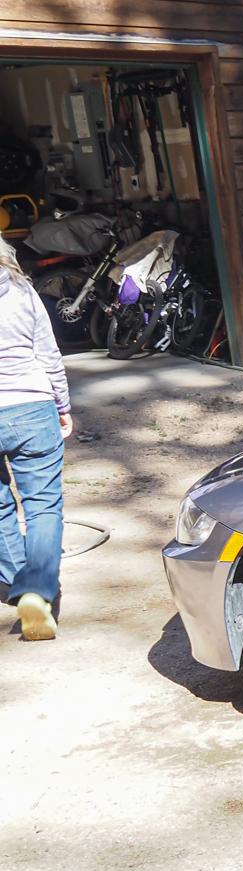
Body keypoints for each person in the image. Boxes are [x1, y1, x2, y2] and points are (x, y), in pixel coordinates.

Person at [0, 236, 72, 641]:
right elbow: (49, 354)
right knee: (43, 504)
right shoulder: (21, 292)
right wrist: (62, 405)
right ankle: (36, 590)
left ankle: (18, 584)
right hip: (30, 406)